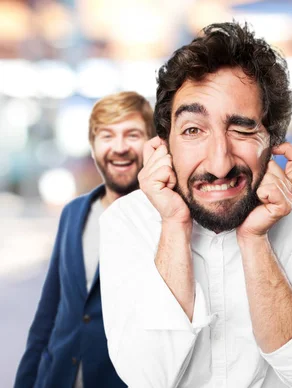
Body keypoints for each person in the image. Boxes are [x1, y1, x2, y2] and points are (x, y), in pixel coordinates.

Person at [98, 21, 292, 388]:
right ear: (164, 144)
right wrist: (174, 224)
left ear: (273, 145)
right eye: (193, 130)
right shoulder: (126, 222)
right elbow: (147, 377)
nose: (220, 164)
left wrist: (255, 238)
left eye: (242, 130)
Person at [14, 91, 156, 388]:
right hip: (56, 378)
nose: (119, 148)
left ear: (152, 144)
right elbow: (48, 312)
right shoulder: (74, 213)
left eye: (132, 134)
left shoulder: (165, 219)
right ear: (93, 147)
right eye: (107, 136)